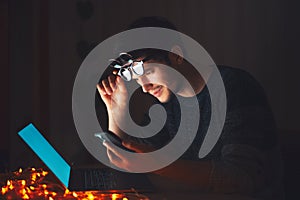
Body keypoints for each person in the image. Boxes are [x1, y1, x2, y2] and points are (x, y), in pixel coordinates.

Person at [96, 16, 284, 199]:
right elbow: (128, 163)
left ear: (176, 55)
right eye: (137, 79)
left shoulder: (236, 87)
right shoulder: (167, 103)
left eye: (148, 72)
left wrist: (157, 165)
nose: (144, 87)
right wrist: (115, 112)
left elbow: (242, 178)